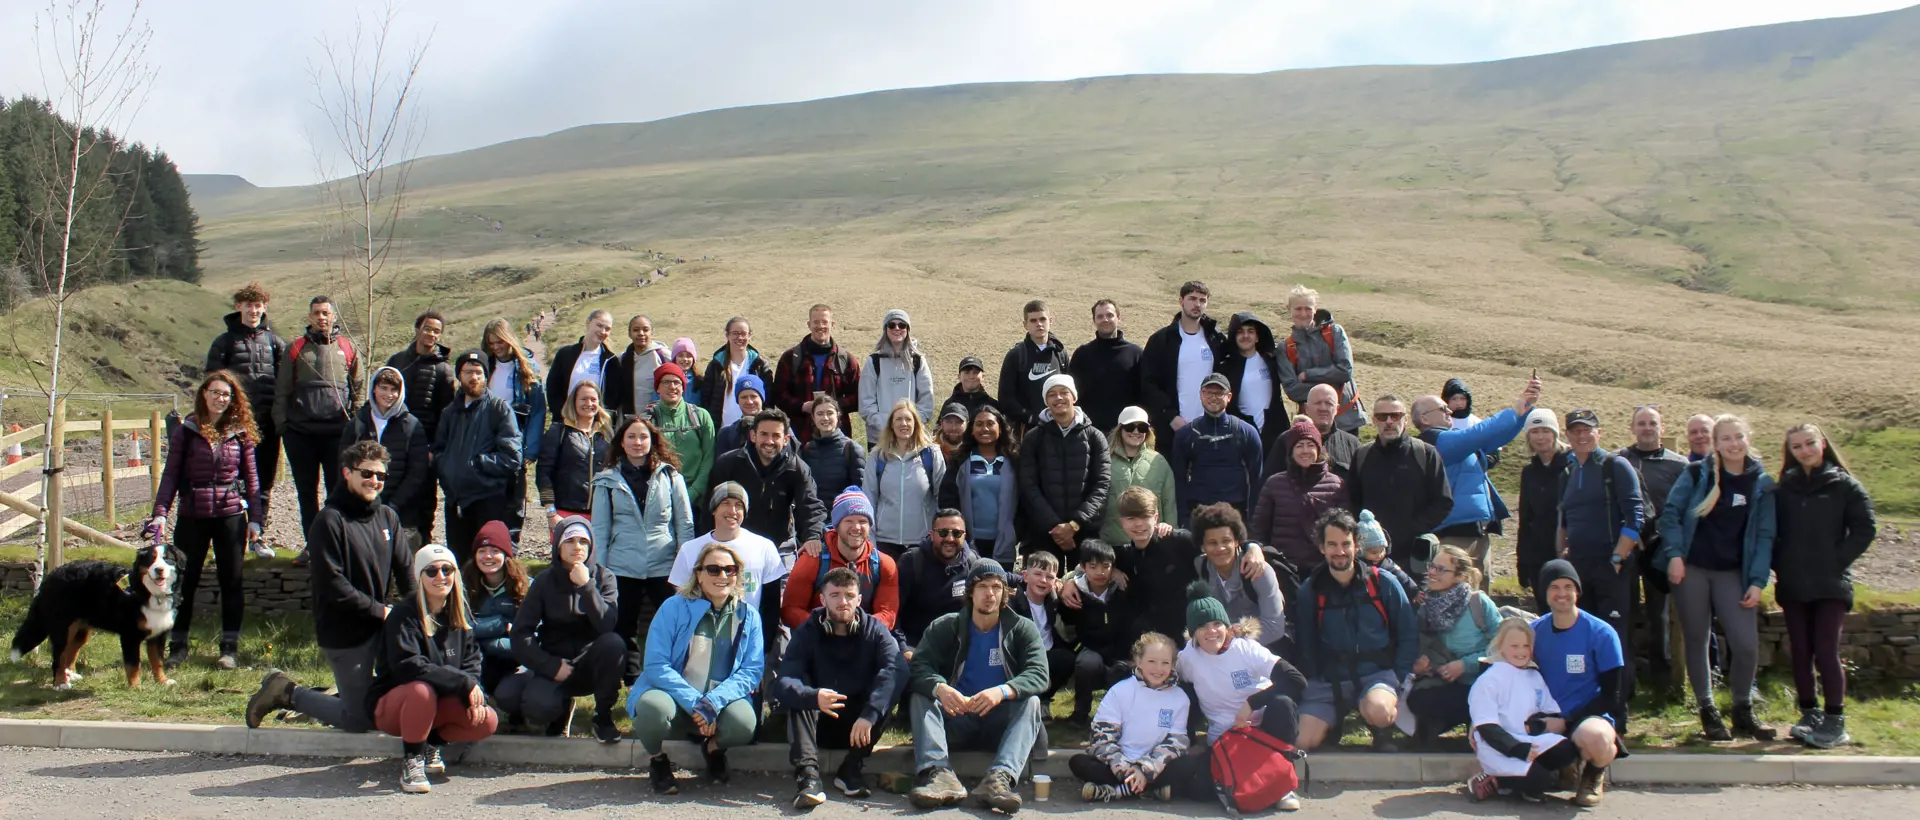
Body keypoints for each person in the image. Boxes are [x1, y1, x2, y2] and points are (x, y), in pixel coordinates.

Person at [244, 441, 414, 733]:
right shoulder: (329, 521)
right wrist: (381, 611)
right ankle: (286, 692)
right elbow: (333, 585)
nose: (374, 480)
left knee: (396, 695)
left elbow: (407, 573)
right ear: (347, 473)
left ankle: (346, 696)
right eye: (367, 473)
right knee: (358, 720)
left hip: (383, 626)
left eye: (380, 475)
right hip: (345, 631)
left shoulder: (388, 518)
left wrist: (416, 612)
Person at [1657, 414, 1778, 742]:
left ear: (1748, 438)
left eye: (1739, 437)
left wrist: (1757, 580)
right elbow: (1670, 515)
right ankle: (1707, 711)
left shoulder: (1761, 483)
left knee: (1746, 644)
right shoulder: (1697, 473)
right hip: (1692, 568)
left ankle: (1743, 709)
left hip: (1733, 572)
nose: (1734, 444)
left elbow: (1765, 535)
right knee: (1697, 639)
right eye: (1726, 439)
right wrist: (1675, 556)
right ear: (1716, 443)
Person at [905, 559, 1048, 814]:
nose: (990, 594)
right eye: (982, 586)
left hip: (999, 722)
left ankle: (998, 780)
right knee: (921, 695)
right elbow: (918, 667)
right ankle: (939, 775)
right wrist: (941, 688)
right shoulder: (945, 625)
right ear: (970, 591)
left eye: (996, 587)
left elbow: (1039, 674)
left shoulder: (1021, 628)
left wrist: (1001, 691)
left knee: (1032, 702)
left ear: (1005, 592)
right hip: (956, 718)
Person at [631, 541, 766, 792]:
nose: (723, 575)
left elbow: (752, 670)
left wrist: (713, 702)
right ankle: (657, 760)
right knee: (651, 709)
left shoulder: (748, 615)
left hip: (718, 702)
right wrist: (697, 703)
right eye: (713, 569)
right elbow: (656, 664)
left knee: (745, 724)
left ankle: (713, 749)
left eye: (730, 569)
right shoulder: (672, 608)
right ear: (698, 575)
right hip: (674, 696)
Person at [150, 370, 264, 669]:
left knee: (232, 582)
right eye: (215, 392)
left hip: (230, 516)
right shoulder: (186, 431)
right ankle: (178, 645)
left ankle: (229, 648)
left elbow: (252, 479)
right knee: (183, 582)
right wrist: (160, 513)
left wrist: (256, 519)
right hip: (192, 516)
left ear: (232, 399)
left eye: (226, 394)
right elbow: (170, 475)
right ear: (204, 394)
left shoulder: (241, 434)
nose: (220, 399)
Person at [1773, 423, 1877, 749]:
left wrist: (1836, 561)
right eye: (1797, 446)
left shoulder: (1844, 486)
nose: (1805, 450)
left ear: (1822, 444)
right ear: (1790, 452)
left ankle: (1836, 720)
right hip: (1792, 583)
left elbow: (1865, 527)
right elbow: (1770, 530)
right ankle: (1810, 714)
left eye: (1809, 443)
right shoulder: (1784, 488)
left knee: (1825, 651)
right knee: (1800, 651)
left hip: (1831, 584)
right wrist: (1780, 562)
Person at [369, 543, 499, 794]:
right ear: (419, 577)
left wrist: (472, 687)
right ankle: (412, 760)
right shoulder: (403, 616)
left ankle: (431, 744)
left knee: (486, 720)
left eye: (447, 569)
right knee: (421, 690)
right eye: (431, 571)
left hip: (437, 705)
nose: (441, 576)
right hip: (395, 706)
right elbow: (409, 666)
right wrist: (463, 682)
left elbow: (472, 662)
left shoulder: (461, 615)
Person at [1291, 509, 1417, 752]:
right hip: (1330, 679)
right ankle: (1332, 723)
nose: (1340, 551)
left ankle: (1380, 727)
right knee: (1301, 741)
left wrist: (1399, 676)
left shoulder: (1384, 583)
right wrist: (1314, 676)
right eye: (1332, 544)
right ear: (1322, 548)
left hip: (1376, 674)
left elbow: (1408, 634)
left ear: (1356, 545)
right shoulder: (1311, 590)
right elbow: (1305, 642)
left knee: (1379, 710)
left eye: (1346, 544)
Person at [780, 566, 905, 808]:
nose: (843, 602)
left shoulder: (874, 630)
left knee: (885, 690)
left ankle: (850, 770)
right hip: (818, 722)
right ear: (822, 598)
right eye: (835, 595)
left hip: (858, 726)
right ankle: (808, 777)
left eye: (849, 596)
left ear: (859, 599)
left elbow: (897, 669)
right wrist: (812, 696)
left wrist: (870, 715)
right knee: (800, 694)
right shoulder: (808, 631)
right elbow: (785, 680)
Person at [1175, 590, 1307, 812]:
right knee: (1199, 792)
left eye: (1217, 623)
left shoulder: (1245, 648)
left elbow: (1296, 680)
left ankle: (1283, 785)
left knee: (1282, 703)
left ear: (1227, 626)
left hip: (1264, 728)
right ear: (1193, 633)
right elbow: (1169, 686)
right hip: (1226, 737)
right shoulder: (1187, 658)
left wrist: (1250, 704)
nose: (1211, 631)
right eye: (1203, 626)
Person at [498, 517, 624, 740]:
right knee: (537, 708)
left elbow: (607, 624)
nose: (577, 547)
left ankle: (602, 716)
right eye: (570, 541)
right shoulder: (545, 581)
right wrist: (549, 665)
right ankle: (560, 712)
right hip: (555, 665)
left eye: (583, 542)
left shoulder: (605, 578)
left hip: (591, 665)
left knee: (614, 643)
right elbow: (520, 633)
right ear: (558, 545)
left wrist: (587, 587)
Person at [591, 415, 695, 683]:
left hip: (664, 564)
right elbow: (600, 529)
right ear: (622, 443)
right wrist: (600, 571)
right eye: (632, 437)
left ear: (653, 441)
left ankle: (673, 674)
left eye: (643, 437)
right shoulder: (606, 480)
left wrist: (684, 566)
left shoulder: (671, 476)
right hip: (622, 564)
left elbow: (684, 523)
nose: (638, 442)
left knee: (673, 624)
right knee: (622, 624)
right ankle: (627, 677)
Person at [1411, 377, 1539, 589]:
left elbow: (1497, 437)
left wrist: (1523, 411)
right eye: (1443, 408)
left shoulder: (1452, 438)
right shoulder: (1433, 442)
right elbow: (1479, 434)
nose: (1449, 411)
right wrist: (1514, 410)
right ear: (1424, 418)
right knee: (1452, 596)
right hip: (1452, 535)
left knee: (1480, 598)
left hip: (1476, 531)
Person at [1556, 408, 1645, 687]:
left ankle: (1619, 707)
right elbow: (1564, 519)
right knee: (1585, 634)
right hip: (1579, 567)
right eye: (1575, 431)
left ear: (1599, 432)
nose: (1582, 436)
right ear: (1567, 435)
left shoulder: (1615, 466)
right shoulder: (1568, 471)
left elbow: (1635, 516)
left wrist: (1618, 558)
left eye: (1587, 430)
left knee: (1614, 636)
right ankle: (1592, 699)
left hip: (1611, 565)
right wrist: (1562, 556)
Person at [1530, 560, 1627, 807]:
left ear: (1577, 592)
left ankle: (1593, 775)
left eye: (1568, 586)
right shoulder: (1532, 633)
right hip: (1546, 715)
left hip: (1587, 716)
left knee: (1596, 738)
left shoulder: (1602, 633)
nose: (1562, 593)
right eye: (1554, 587)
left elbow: (1612, 697)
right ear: (1545, 593)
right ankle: (1564, 764)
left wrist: (1567, 722)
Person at [1074, 633, 1209, 804]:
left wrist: (1145, 769)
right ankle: (1151, 790)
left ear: (1173, 665)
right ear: (1139, 661)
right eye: (1152, 661)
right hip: (1120, 764)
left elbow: (1176, 742)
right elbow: (1102, 738)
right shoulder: (1120, 691)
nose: (1158, 668)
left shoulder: (1180, 698)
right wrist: (1127, 769)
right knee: (1079, 763)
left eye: (1165, 663)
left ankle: (1117, 791)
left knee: (1187, 764)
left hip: (1156, 766)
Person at [275, 295, 363, 546]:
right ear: (310, 316)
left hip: (338, 433)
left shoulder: (348, 348)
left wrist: (355, 424)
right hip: (301, 434)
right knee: (306, 493)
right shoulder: (295, 348)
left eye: (326, 313)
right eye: (316, 313)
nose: (321, 318)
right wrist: (283, 426)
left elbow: (358, 388)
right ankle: (313, 546)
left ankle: (336, 544)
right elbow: (282, 390)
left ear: (334, 316)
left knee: (337, 492)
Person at [204, 281, 283, 554]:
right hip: (234, 427)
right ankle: (231, 539)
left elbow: (285, 384)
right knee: (232, 480)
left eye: (258, 305)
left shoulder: (275, 343)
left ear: (264, 308)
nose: (254, 311)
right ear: (238, 307)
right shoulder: (224, 343)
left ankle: (258, 536)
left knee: (263, 481)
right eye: (249, 305)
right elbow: (211, 383)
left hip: (268, 425)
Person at [1619, 405, 1690, 689]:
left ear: (1661, 427)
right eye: (1641, 423)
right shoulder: (1618, 461)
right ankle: (1628, 679)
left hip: (1661, 550)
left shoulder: (1679, 465)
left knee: (1659, 616)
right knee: (1626, 612)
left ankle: (1662, 681)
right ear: (1632, 427)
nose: (1647, 428)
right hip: (1627, 547)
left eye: (1652, 423)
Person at [1464, 620, 1575, 803]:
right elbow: (1486, 727)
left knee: (1566, 750)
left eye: (1526, 645)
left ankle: (1519, 779)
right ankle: (1496, 779)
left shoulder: (1534, 675)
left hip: (1527, 739)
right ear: (1500, 648)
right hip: (1500, 747)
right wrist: (1518, 750)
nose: (1521, 651)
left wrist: (1537, 726)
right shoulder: (1489, 680)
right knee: (1540, 782)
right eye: (1514, 646)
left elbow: (1549, 711)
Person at [669, 482, 792, 643]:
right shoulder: (690, 549)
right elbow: (680, 600)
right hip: (700, 639)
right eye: (725, 503)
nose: (732, 511)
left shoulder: (764, 547)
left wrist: (764, 644)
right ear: (714, 509)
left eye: (738, 505)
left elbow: (771, 605)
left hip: (747, 638)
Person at [1406, 545, 1503, 747]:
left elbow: (1503, 647)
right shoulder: (1425, 607)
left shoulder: (1478, 603)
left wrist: (1465, 665)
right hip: (1444, 683)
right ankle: (1439, 724)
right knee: (1418, 699)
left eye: (1440, 569)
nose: (1431, 573)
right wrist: (1420, 666)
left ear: (1460, 576)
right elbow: (1421, 645)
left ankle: (1481, 726)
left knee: (1480, 698)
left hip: (1482, 682)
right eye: (1432, 566)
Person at [434, 350, 523, 566]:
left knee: (488, 562)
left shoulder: (499, 408)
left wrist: (477, 464)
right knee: (460, 561)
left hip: (488, 500)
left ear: (486, 376)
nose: (473, 377)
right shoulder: (449, 413)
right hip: (456, 501)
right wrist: (447, 470)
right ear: (459, 375)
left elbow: (512, 457)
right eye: (467, 372)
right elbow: (439, 450)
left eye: (478, 372)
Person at [1349, 394, 1452, 570]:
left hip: (1415, 557)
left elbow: (1443, 501)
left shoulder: (1425, 454)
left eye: (1395, 416)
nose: (1389, 421)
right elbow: (1352, 502)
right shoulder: (1362, 456)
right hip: (1371, 558)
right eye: (1382, 417)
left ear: (1405, 419)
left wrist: (1412, 529)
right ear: (1374, 420)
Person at [1017, 374, 1111, 559]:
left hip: (1085, 530)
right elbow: (1028, 485)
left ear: (1073, 397)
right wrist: (1056, 527)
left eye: (1063, 392)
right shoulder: (1034, 437)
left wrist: (1074, 524)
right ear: (1046, 401)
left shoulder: (1095, 436)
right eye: (1052, 394)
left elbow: (1102, 483)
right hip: (1045, 532)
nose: (1058, 398)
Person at [710, 408, 827, 554]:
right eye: (764, 434)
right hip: (735, 545)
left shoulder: (797, 468)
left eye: (776, 436)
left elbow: (810, 506)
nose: (769, 441)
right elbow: (711, 506)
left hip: (779, 546)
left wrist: (812, 537)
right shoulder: (728, 464)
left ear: (786, 440)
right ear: (753, 436)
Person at [783, 487, 900, 630]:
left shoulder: (883, 564)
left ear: (870, 527)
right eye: (848, 521)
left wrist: (859, 628)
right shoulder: (812, 559)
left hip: (864, 640)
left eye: (863, 521)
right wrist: (823, 627)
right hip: (818, 639)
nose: (856, 527)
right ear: (836, 526)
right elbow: (790, 609)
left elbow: (888, 613)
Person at [340, 367, 431, 550]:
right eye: (383, 388)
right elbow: (344, 465)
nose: (388, 394)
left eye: (394, 390)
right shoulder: (357, 423)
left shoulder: (412, 426)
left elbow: (417, 472)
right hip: (361, 509)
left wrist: (393, 505)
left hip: (402, 514)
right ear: (374, 388)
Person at [1251, 418, 1349, 576]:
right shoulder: (1274, 484)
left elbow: (1345, 530)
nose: (1305, 451)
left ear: (1318, 450)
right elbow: (1258, 529)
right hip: (1283, 570)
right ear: (1291, 450)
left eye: (1310, 445)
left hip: (1323, 571)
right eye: (1299, 445)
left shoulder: (1336, 485)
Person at [1140, 281, 1225, 453]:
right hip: (1174, 428)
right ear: (1181, 301)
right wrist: (1170, 416)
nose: (1197, 304)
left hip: (1210, 425)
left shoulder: (1216, 339)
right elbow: (1148, 382)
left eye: (1202, 300)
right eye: (1192, 299)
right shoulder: (1162, 340)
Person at [1169, 373, 1263, 527]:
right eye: (1208, 392)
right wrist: (1184, 519)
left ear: (1229, 396)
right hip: (1199, 512)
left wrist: (1252, 520)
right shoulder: (1185, 435)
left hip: (1236, 513)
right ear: (1200, 395)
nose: (1213, 397)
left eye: (1219, 393)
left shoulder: (1247, 433)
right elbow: (1179, 481)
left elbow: (1256, 480)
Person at [1274, 285, 1363, 433]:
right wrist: (1333, 382)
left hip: (1347, 420)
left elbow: (1345, 371)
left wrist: (1309, 375)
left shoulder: (1335, 333)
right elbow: (1293, 390)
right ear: (1289, 309)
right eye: (1298, 309)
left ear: (1315, 309)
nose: (1303, 313)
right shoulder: (1285, 348)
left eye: (1308, 308)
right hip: (1311, 425)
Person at [1062, 540, 1132, 725]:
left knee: (1124, 669)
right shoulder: (1075, 593)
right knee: (1087, 664)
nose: (1100, 572)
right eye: (1093, 567)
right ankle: (1080, 713)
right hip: (1090, 647)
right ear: (1083, 567)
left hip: (1120, 648)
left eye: (1106, 566)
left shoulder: (1123, 589)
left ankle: (1120, 718)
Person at [865, 400, 946, 560]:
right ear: (891, 425)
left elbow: (941, 499)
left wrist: (937, 537)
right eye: (898, 419)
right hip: (884, 543)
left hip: (922, 543)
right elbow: (869, 499)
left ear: (916, 423)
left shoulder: (931, 454)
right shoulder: (878, 456)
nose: (904, 424)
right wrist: (870, 541)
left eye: (908, 419)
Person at [938, 404, 1019, 562]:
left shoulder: (1014, 461)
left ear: (1000, 428)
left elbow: (1024, 500)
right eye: (979, 424)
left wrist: (1015, 532)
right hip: (967, 543)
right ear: (972, 429)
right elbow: (947, 499)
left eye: (990, 423)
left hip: (1004, 543)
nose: (985, 429)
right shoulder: (960, 460)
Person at [895, 509, 980, 652]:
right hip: (916, 646)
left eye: (957, 533)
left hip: (958, 647)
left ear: (964, 536)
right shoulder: (912, 562)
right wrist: (904, 649)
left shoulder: (972, 563)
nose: (950, 539)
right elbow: (893, 613)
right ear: (932, 534)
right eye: (943, 533)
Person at [774, 304, 860, 444]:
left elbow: (859, 397)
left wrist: (834, 406)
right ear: (809, 324)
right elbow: (778, 394)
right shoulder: (791, 358)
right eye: (816, 322)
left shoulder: (845, 360)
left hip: (837, 437)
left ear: (832, 324)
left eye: (825, 322)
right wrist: (801, 406)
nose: (820, 326)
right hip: (800, 435)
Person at [462, 520, 528, 694]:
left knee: (509, 694)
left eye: (495, 551)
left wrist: (484, 635)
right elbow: (462, 627)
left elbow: (531, 636)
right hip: (478, 657)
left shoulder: (526, 587)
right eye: (481, 551)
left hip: (516, 659)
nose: (487, 556)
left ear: (506, 555)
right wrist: (502, 625)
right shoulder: (464, 585)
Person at [537, 380, 614, 528]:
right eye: (583, 399)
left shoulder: (607, 436)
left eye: (593, 399)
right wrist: (551, 512)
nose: (589, 403)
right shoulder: (559, 432)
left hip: (600, 514)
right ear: (573, 402)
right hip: (565, 513)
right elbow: (543, 473)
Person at [858, 309, 936, 451]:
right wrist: (887, 425)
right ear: (885, 329)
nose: (897, 328)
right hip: (879, 437)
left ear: (908, 329)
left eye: (902, 325)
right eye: (891, 325)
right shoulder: (874, 361)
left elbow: (926, 400)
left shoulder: (918, 361)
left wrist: (909, 424)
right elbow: (866, 402)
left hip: (911, 437)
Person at [1100, 406, 1176, 548]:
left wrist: (1171, 532)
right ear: (1120, 429)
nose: (1136, 432)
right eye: (1130, 427)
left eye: (1142, 428)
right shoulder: (1105, 460)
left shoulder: (1158, 461)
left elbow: (1169, 501)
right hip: (1113, 543)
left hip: (1152, 543)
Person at [385, 311, 457, 453]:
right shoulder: (397, 361)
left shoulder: (443, 370)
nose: (431, 334)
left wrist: (436, 447)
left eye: (436, 331)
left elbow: (446, 413)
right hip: (393, 435)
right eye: (427, 329)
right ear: (417, 330)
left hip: (425, 441)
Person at [1516, 409, 1569, 597]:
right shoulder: (1529, 472)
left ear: (1555, 433)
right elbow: (1525, 518)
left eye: (1545, 431)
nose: (1540, 437)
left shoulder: (1572, 466)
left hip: (1567, 552)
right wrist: (1522, 562)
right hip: (1538, 555)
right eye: (1534, 432)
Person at [1069, 299, 1144, 433]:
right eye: (1100, 316)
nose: (1105, 320)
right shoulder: (1082, 354)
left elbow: (1144, 393)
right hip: (1089, 432)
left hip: (1127, 431)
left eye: (1110, 315)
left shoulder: (1135, 353)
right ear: (1094, 321)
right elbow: (1072, 394)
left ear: (1118, 318)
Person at [650, 363, 716, 513]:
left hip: (697, 499)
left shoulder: (701, 416)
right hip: (660, 499)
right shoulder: (648, 419)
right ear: (657, 388)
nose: (672, 386)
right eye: (666, 382)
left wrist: (693, 492)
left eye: (676, 382)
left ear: (683, 386)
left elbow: (709, 457)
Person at [483, 317, 546, 472]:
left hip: (515, 436)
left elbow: (538, 410)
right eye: (492, 343)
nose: (496, 347)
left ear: (509, 339)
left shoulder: (528, 367)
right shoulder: (484, 365)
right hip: (486, 434)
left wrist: (531, 448)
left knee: (514, 486)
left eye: (500, 342)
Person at [997, 300, 1072, 430]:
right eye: (1033, 321)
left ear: (1051, 321)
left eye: (1043, 319)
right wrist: (1030, 417)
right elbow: (1005, 398)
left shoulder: (1060, 353)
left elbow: (1069, 391)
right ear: (1025, 325)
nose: (1039, 324)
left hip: (1058, 428)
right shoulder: (1016, 355)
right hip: (1026, 431)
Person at [1264, 384, 1360, 484]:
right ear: (1306, 408)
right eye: (1317, 403)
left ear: (1337, 409)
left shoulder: (1351, 443)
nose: (1323, 408)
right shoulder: (1286, 440)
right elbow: (1268, 485)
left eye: (1329, 403)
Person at [1008, 551, 1074, 699]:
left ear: (1055, 581)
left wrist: (1068, 585)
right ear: (1025, 576)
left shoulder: (1055, 601)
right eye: (1037, 574)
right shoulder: (1013, 604)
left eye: (1049, 577)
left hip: (1048, 653)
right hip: (1024, 656)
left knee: (1067, 659)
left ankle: (1044, 699)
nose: (1043, 580)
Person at [1219, 311, 1286, 451]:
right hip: (1241, 432)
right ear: (1234, 337)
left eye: (1250, 331)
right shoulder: (1226, 367)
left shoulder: (1271, 361)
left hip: (1273, 430)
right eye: (1240, 332)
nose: (1245, 336)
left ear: (1257, 337)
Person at [703, 315, 777, 429]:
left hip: (754, 429)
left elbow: (768, 401)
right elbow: (706, 399)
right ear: (727, 335)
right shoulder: (716, 365)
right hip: (722, 429)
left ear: (750, 335)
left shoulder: (760, 365)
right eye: (735, 333)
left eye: (743, 333)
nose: (740, 337)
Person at [544, 309, 617, 420]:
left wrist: (601, 419)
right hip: (565, 421)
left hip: (596, 424)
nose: (603, 331)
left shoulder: (611, 361)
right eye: (599, 325)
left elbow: (613, 397)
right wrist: (562, 415)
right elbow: (553, 388)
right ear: (588, 322)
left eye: (607, 329)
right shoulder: (565, 354)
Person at [800, 393, 866, 508]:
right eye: (820, 414)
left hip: (842, 518)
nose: (825, 418)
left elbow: (859, 492)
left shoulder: (851, 449)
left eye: (829, 413)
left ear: (838, 416)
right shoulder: (807, 449)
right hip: (814, 518)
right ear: (813, 418)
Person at [610, 314, 672, 416]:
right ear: (629, 334)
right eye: (636, 330)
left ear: (652, 332)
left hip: (658, 419)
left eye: (645, 330)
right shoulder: (622, 360)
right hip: (629, 419)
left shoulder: (663, 356)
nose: (641, 333)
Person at [713, 374, 777, 459]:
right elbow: (721, 467)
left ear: (762, 398)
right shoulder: (727, 433)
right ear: (738, 400)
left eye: (753, 396)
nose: (749, 401)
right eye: (744, 397)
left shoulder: (779, 428)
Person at [672, 337, 705, 408]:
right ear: (675, 358)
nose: (685, 359)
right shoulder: (666, 378)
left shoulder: (699, 380)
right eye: (680, 355)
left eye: (689, 356)